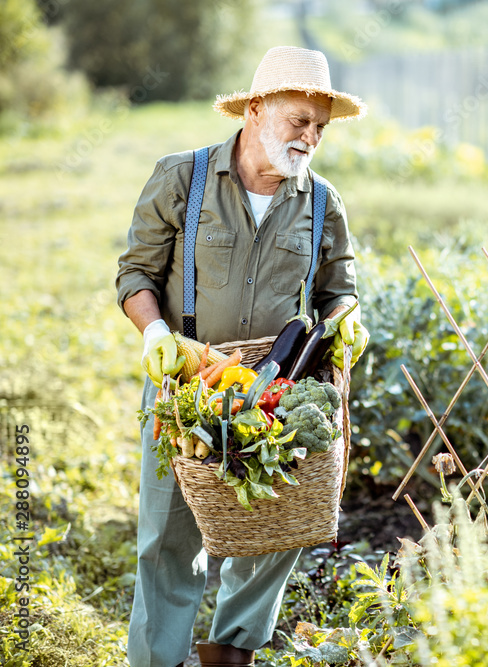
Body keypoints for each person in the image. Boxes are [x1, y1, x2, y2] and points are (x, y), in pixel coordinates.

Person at [116, 46, 369, 667]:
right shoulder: (183, 178)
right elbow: (135, 275)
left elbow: (340, 291)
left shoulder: (322, 202)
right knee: (167, 538)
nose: (309, 137)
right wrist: (155, 334)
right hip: (187, 383)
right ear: (256, 110)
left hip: (276, 389)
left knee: (278, 527)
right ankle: (158, 659)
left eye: (320, 127)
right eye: (297, 122)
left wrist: (346, 321)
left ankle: (230, 652)